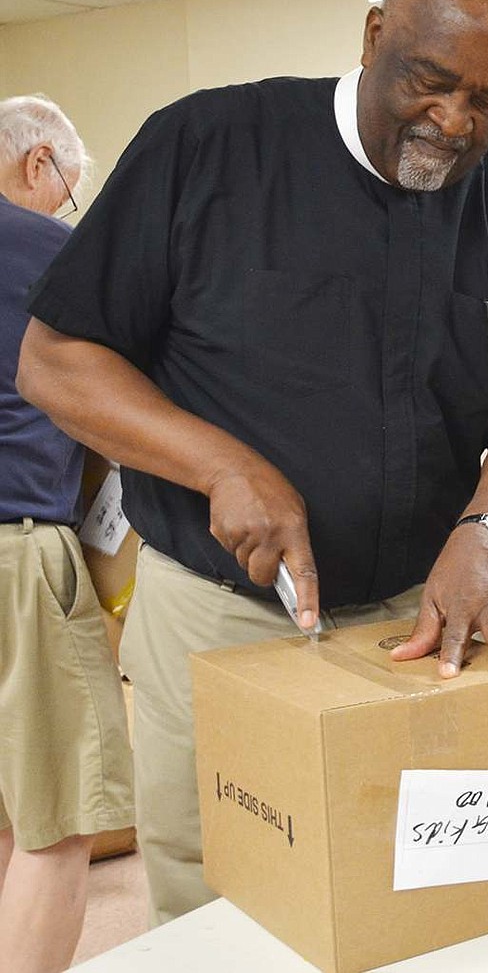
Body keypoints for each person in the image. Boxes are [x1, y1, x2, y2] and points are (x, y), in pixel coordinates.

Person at [17, 0, 488, 925]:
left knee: (426, 903)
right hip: (222, 619)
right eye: (430, 82)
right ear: (374, 38)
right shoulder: (207, 148)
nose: (453, 123)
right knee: (226, 904)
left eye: (487, 101)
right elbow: (56, 360)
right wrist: (223, 465)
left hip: (422, 623)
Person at [0, 95, 135, 973]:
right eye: (68, 191)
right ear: (37, 164)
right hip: (17, 547)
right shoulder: (51, 251)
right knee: (58, 815)